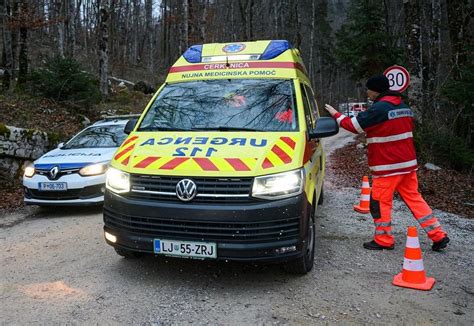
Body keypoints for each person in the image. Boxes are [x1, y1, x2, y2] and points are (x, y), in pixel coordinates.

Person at [324, 74, 450, 251]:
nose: (367, 93)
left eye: (368, 89)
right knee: (415, 199)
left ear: (375, 91)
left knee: (379, 203)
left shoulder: (380, 109)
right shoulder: (403, 106)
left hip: (387, 167)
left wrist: (335, 115)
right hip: (407, 165)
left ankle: (384, 239)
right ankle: (438, 235)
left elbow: (353, 125)